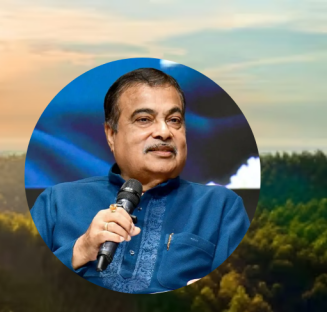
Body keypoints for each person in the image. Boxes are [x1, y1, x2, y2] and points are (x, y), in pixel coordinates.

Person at [30, 67, 251, 294]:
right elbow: (20, 288)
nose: (164, 132)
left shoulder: (222, 208)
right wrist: (80, 250)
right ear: (110, 135)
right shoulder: (55, 203)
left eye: (174, 120)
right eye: (144, 119)